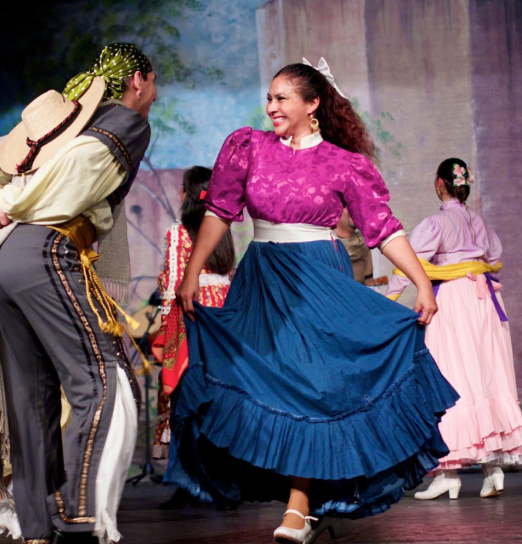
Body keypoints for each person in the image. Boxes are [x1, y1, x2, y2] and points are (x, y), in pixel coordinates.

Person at [166, 58, 458, 544]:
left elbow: (382, 230)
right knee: (264, 384)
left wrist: (422, 282)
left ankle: (299, 508)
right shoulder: (249, 147)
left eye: (282, 98)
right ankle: (302, 502)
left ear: (312, 104)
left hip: (317, 280)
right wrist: (192, 271)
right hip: (261, 279)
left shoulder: (343, 164)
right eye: (270, 98)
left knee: (314, 386)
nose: (271, 106)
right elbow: (219, 212)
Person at [0, 43, 156, 544]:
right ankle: (77, 511)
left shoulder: (59, 130)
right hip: (42, 252)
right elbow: (77, 179)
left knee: (30, 395)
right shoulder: (124, 120)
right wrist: (13, 202)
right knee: (105, 382)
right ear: (140, 80)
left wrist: (2, 204)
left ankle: (36, 526)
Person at [386, 158, 522, 500]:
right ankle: (492, 469)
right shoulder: (478, 222)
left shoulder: (437, 223)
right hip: (483, 303)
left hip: (453, 301)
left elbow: (409, 260)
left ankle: (448, 472)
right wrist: (469, 265)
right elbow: (494, 258)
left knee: (450, 376)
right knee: (486, 375)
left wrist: (391, 298)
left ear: (440, 184)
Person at [150, 166, 235, 510]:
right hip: (222, 322)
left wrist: (167, 330)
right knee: (214, 399)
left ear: (187, 194)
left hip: (190, 316)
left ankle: (190, 483)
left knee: (183, 399)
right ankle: (221, 483)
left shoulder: (179, 231)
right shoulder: (222, 231)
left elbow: (174, 287)